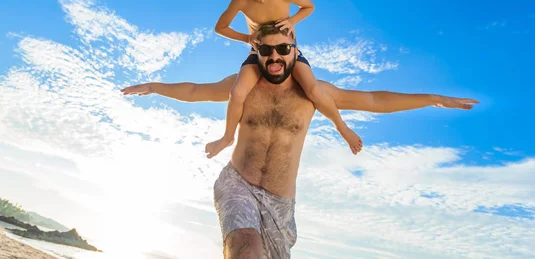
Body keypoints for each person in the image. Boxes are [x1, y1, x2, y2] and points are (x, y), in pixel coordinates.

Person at [121, 23, 478, 258]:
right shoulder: (243, 84)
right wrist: (154, 87)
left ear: (295, 51)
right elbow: (196, 90)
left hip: (280, 204)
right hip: (237, 184)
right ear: (257, 53)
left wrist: (432, 98)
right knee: (244, 247)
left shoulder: (315, 93)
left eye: (282, 50)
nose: (274, 58)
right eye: (266, 52)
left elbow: (374, 100)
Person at [207, 0, 361, 160]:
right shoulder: (241, 0)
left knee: (313, 90)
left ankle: (341, 126)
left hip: (288, 53)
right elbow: (220, 27)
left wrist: (291, 21)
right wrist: (247, 39)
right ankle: (228, 136)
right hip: (259, 52)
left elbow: (308, 7)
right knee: (237, 91)